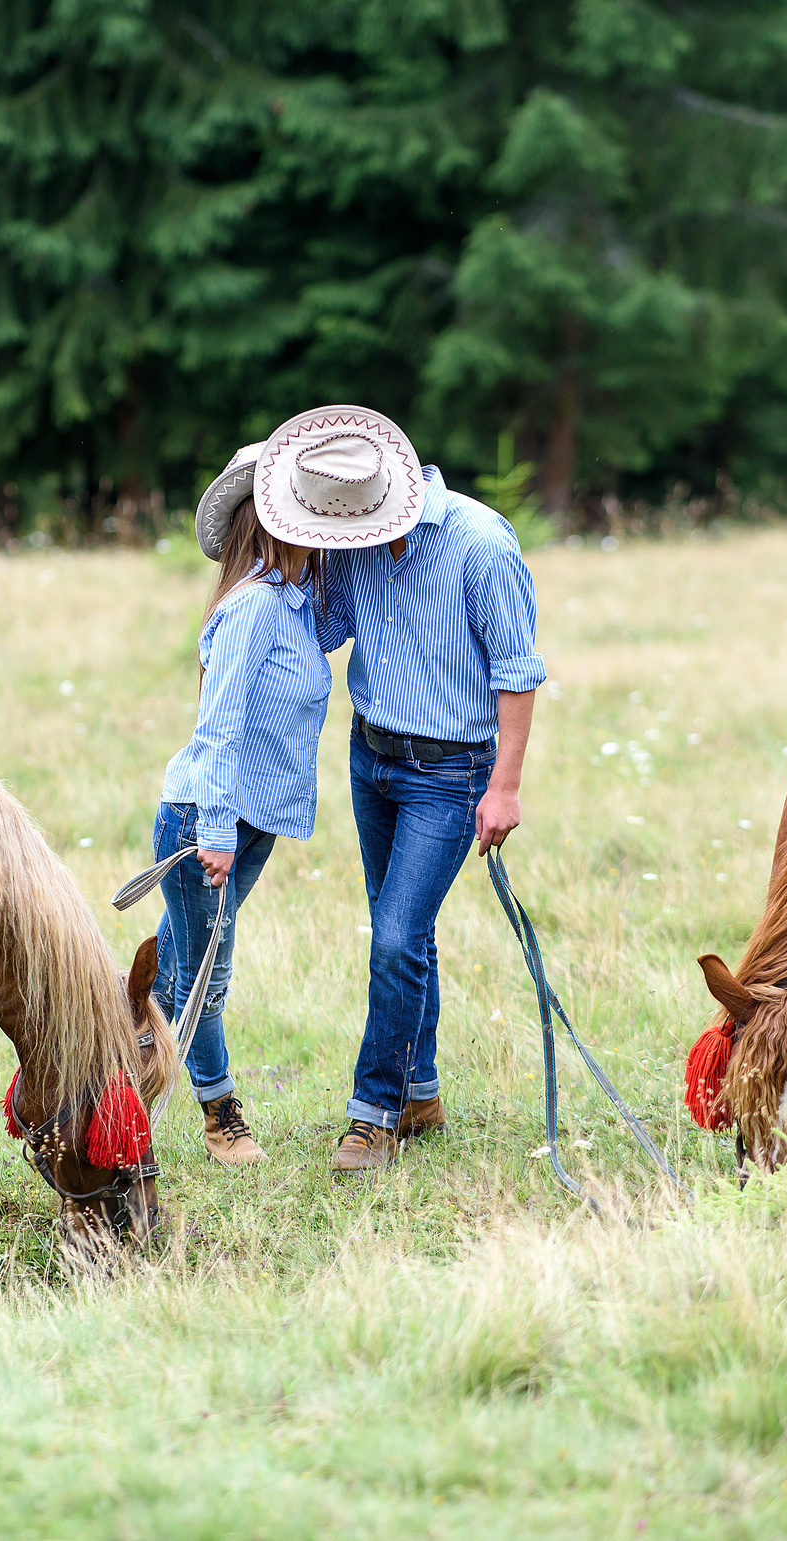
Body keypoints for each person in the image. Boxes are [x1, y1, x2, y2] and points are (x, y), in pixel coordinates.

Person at [248, 405, 544, 1175]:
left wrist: (504, 787)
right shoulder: (353, 539)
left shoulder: (480, 546)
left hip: (451, 772)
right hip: (371, 753)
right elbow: (328, 623)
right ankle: (419, 1090)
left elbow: (517, 673)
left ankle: (372, 1115)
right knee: (402, 931)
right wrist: (253, 615)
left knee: (394, 938)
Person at [149, 445, 332, 1165]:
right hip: (209, 819)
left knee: (173, 970)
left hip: (251, 821)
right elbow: (218, 729)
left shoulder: (291, 603)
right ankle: (221, 1117)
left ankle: (113, 1084)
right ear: (278, 523)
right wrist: (217, 831)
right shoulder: (253, 608)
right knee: (204, 977)